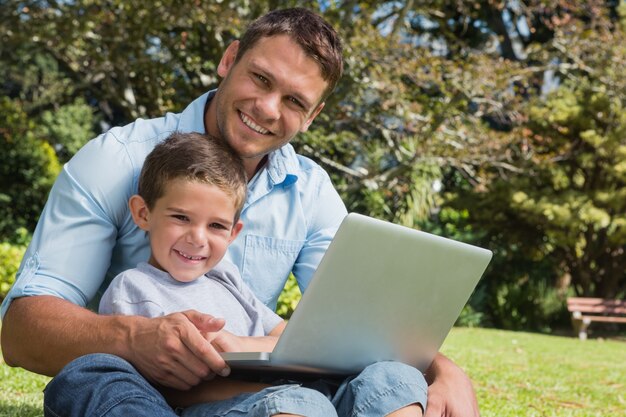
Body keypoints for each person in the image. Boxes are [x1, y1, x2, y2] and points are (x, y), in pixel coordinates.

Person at [0, 7, 479, 417]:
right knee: (91, 375)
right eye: (260, 78)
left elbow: (355, 325)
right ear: (229, 60)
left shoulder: (310, 192)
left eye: (294, 101)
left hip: (260, 394)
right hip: (150, 388)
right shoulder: (118, 158)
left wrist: (444, 370)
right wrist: (134, 338)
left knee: (389, 375)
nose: (268, 108)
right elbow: (20, 332)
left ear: (312, 116)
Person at [92, 131, 428, 417]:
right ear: (142, 213)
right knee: (301, 402)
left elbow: (291, 338)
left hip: (299, 396)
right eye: (181, 217)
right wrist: (277, 386)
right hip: (233, 405)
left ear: (233, 232)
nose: (197, 238)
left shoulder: (225, 278)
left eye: (216, 226)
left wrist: (241, 345)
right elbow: (164, 389)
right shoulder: (133, 288)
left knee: (393, 378)